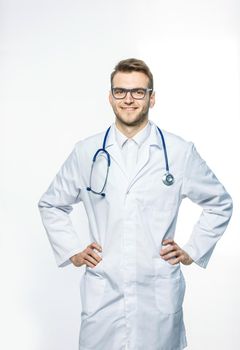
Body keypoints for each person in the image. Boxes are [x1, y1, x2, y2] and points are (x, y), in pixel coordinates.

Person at [38, 58, 233, 350]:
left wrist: (193, 250)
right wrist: (73, 252)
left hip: (156, 290)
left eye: (138, 92)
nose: (128, 99)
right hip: (104, 291)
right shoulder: (86, 152)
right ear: (110, 97)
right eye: (120, 91)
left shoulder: (179, 152)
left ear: (151, 98)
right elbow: (51, 204)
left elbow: (220, 202)